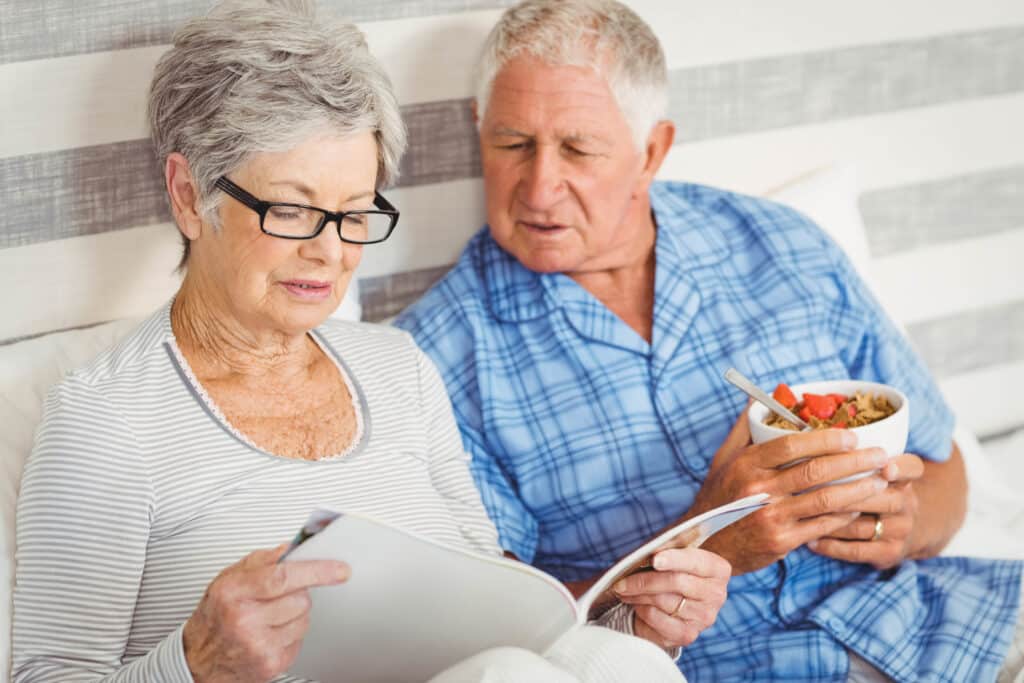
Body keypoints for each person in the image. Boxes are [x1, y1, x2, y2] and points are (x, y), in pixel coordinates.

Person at [10, 1, 713, 681]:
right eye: (291, 209)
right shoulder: (106, 420)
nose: (329, 251)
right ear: (191, 196)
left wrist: (635, 623)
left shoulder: (400, 368)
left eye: (352, 214)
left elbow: (509, 619)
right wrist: (198, 666)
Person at [394, 1, 1024, 681]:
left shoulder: (785, 245)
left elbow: (947, 468)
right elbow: (509, 636)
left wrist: (903, 523)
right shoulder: (433, 359)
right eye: (514, 143)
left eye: (578, 148)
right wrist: (706, 539)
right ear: (479, 129)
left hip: (942, 626)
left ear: (652, 151)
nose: (541, 186)